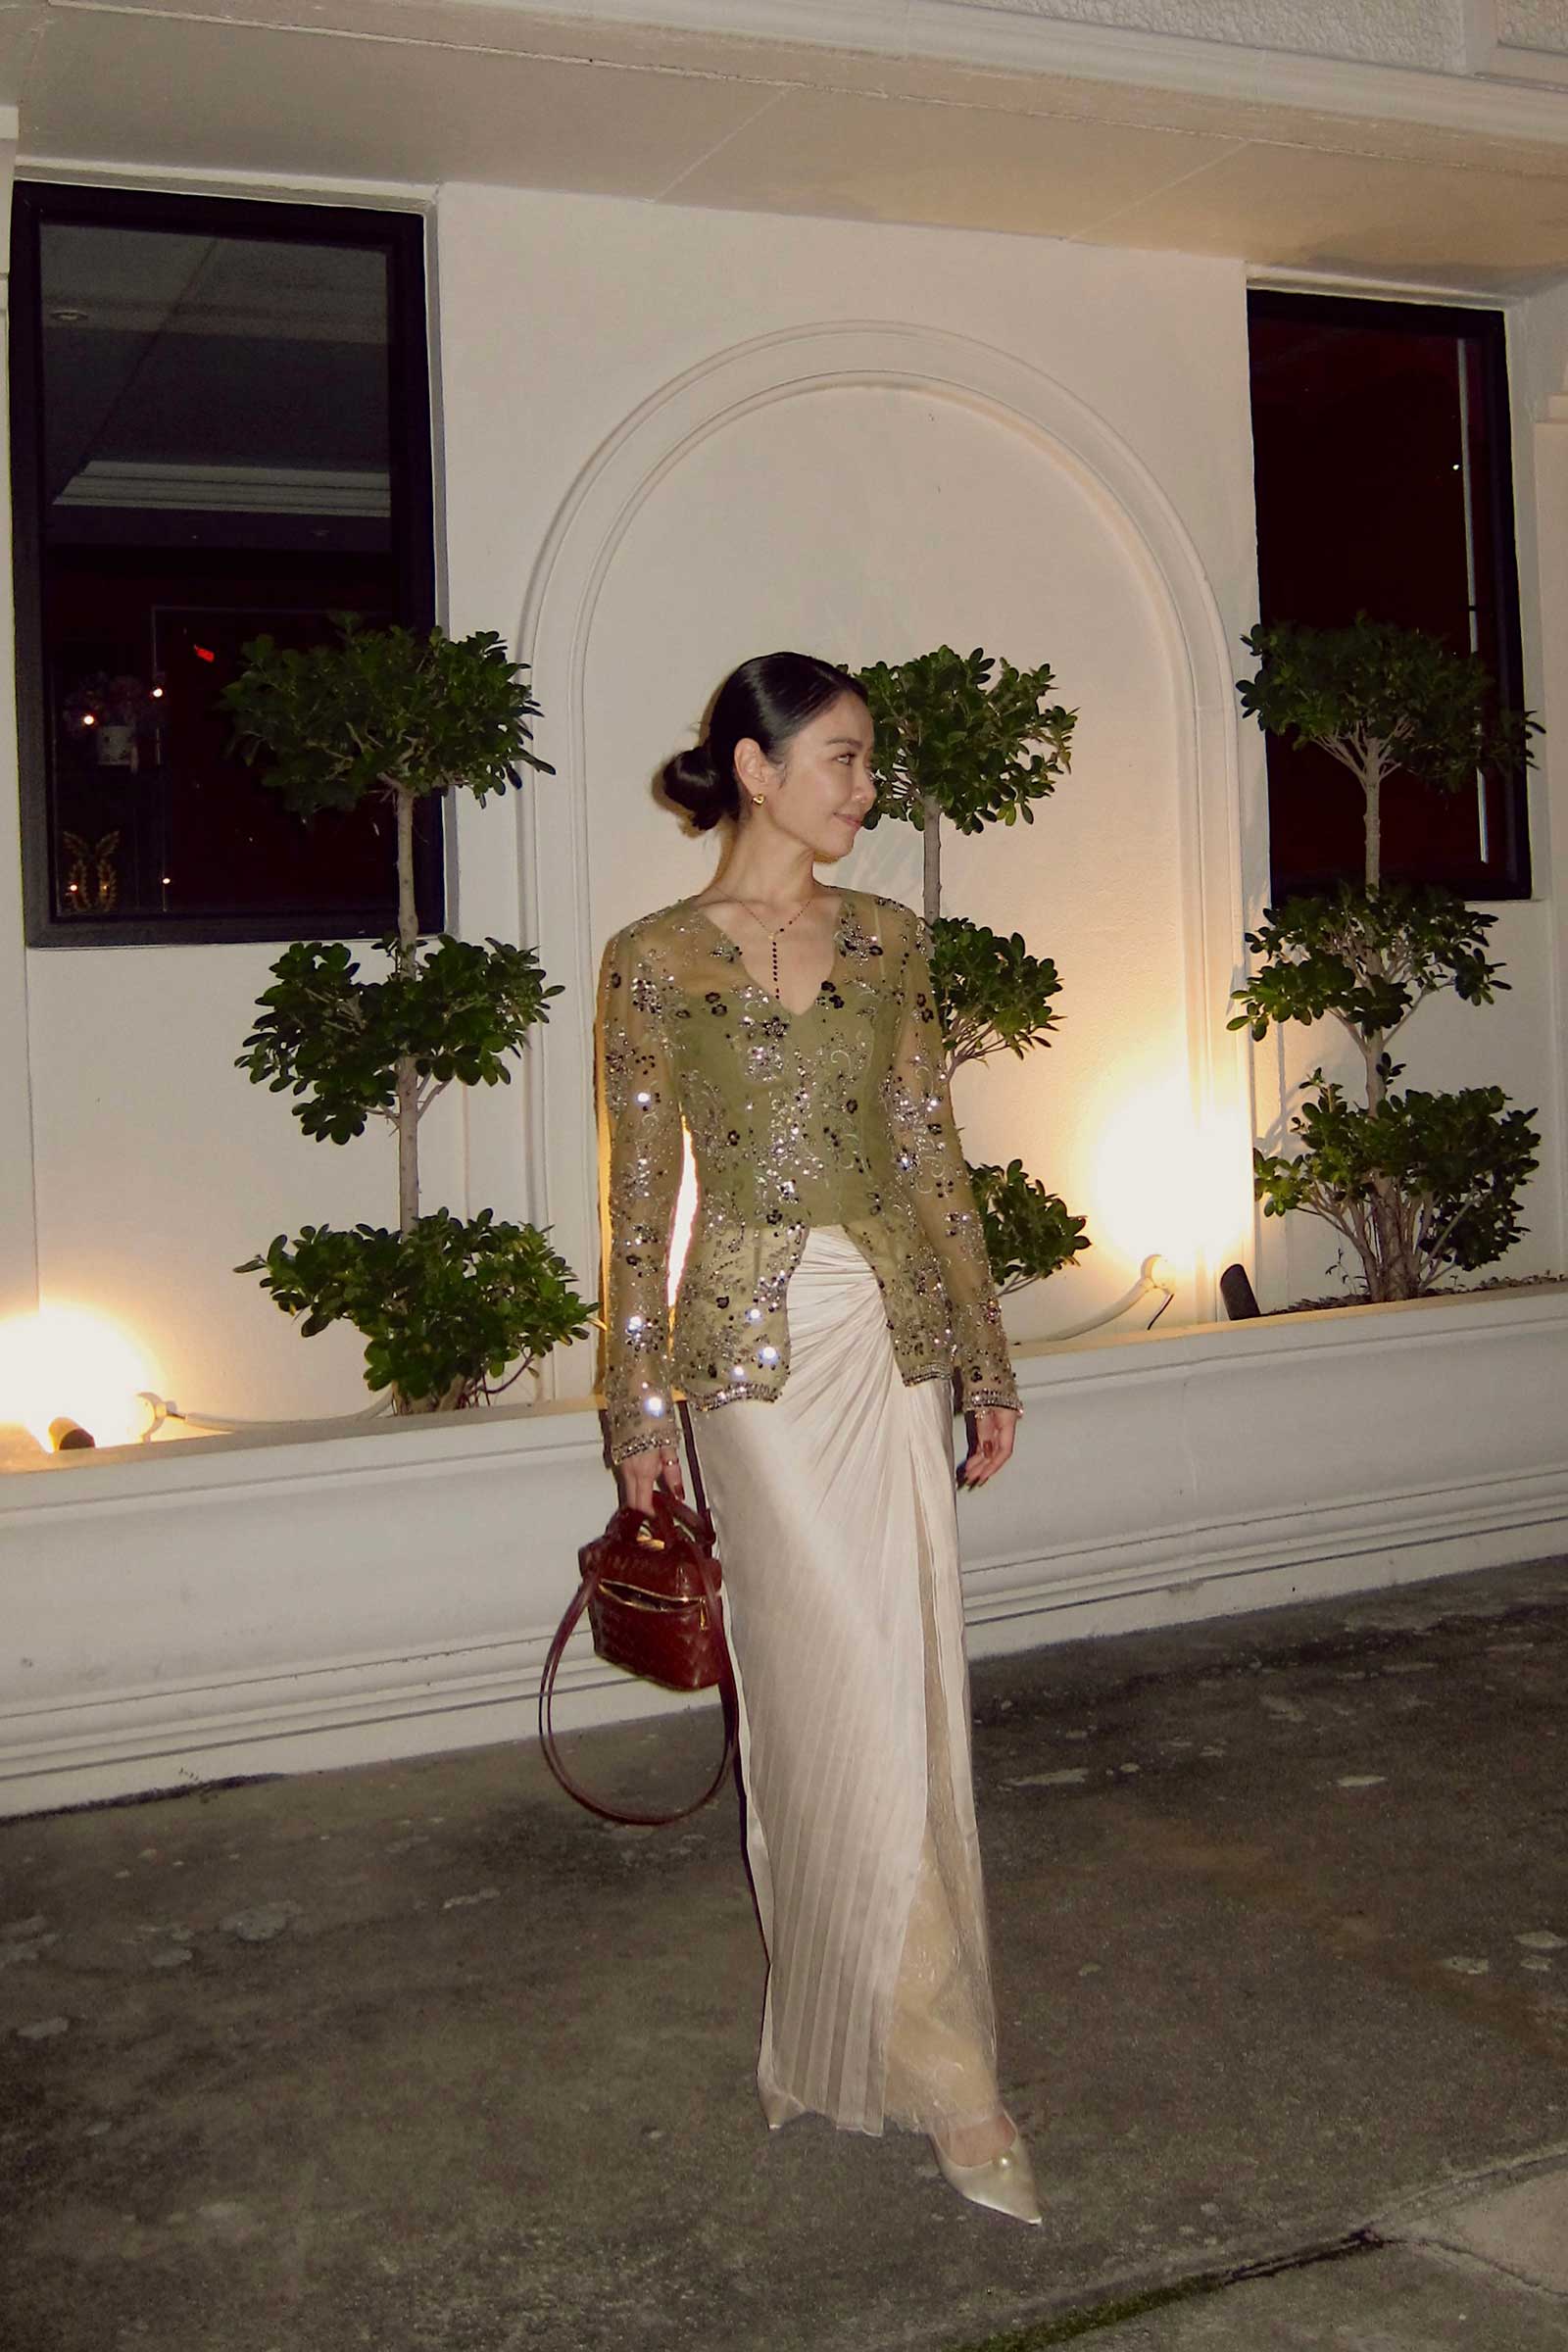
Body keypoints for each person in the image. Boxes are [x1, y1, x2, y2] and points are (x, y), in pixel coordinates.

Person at [593, 652, 1038, 2226]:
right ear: (755, 767)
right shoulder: (651, 960)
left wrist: (986, 1357)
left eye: (867, 761)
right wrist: (636, 1406)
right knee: (825, 1691)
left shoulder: (894, 940)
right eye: (842, 758)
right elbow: (636, 1201)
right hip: (749, 1363)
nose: (866, 787)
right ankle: (940, 2075)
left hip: (891, 1337)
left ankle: (902, 2053)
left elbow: (933, 1154)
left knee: (906, 1687)